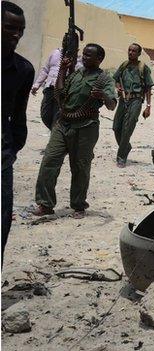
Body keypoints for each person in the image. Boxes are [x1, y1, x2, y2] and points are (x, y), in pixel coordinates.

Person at [32, 43, 117, 219]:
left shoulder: (104, 79)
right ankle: (45, 204)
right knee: (49, 161)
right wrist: (63, 70)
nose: (84, 58)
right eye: (84, 54)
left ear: (99, 59)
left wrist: (103, 95)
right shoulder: (76, 73)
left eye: (88, 55)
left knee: (80, 167)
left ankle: (78, 205)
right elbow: (60, 92)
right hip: (64, 124)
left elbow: (112, 105)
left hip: (86, 128)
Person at [2, 1, 34, 263]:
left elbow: (20, 116)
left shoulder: (23, 69)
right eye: (10, 28)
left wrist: (11, 148)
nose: (16, 35)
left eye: (20, 30)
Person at [112, 43, 153, 168]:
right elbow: (116, 79)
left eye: (134, 51)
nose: (131, 53)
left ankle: (121, 157)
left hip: (136, 100)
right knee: (116, 127)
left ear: (139, 53)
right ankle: (126, 147)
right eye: (129, 50)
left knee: (127, 128)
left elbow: (148, 88)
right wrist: (118, 88)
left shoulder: (143, 68)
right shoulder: (124, 65)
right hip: (123, 100)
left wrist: (148, 106)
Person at [31, 48, 83, 130]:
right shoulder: (55, 53)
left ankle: (55, 134)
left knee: (57, 115)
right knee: (45, 114)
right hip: (50, 89)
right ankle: (54, 130)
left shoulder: (78, 60)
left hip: (63, 92)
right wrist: (37, 84)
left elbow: (77, 76)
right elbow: (45, 70)